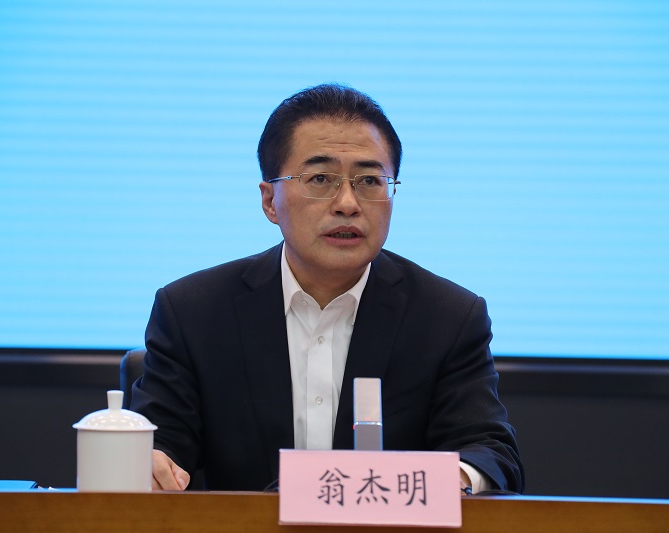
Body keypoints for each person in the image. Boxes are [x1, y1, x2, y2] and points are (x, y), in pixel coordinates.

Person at [130, 83, 524, 494]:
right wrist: (150, 465)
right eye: (320, 178)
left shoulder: (448, 317)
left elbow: (489, 452)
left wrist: (449, 482)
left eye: (369, 180)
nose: (347, 203)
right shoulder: (193, 312)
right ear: (270, 201)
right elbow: (161, 445)